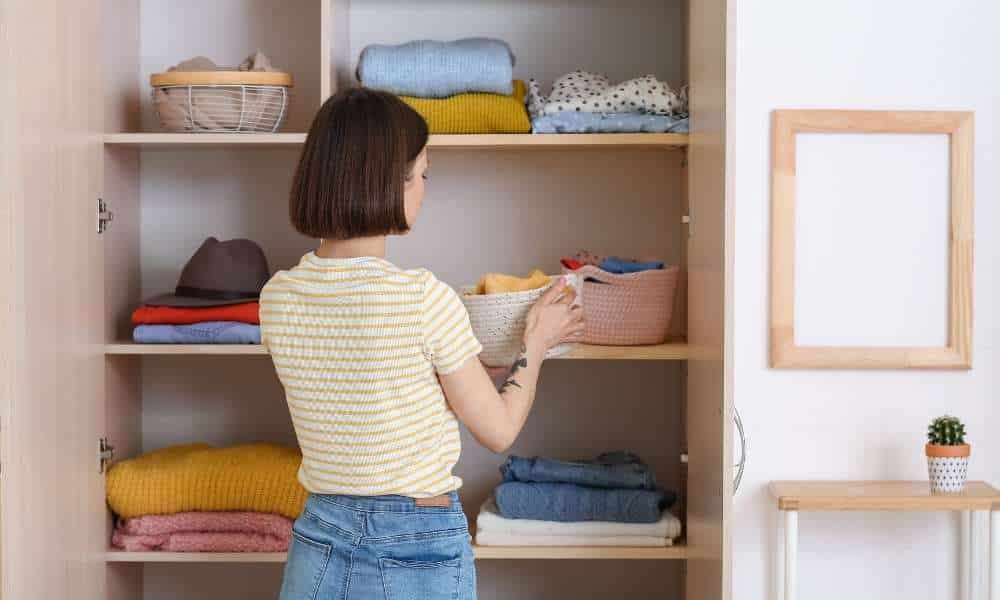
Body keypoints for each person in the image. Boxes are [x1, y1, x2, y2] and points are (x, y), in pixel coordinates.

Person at [261, 87, 583, 600]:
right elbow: (498, 431)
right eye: (423, 173)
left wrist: (458, 377)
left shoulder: (276, 298)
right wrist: (537, 343)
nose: (425, 190)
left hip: (319, 537)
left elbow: (365, 388)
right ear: (391, 181)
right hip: (415, 542)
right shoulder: (423, 298)